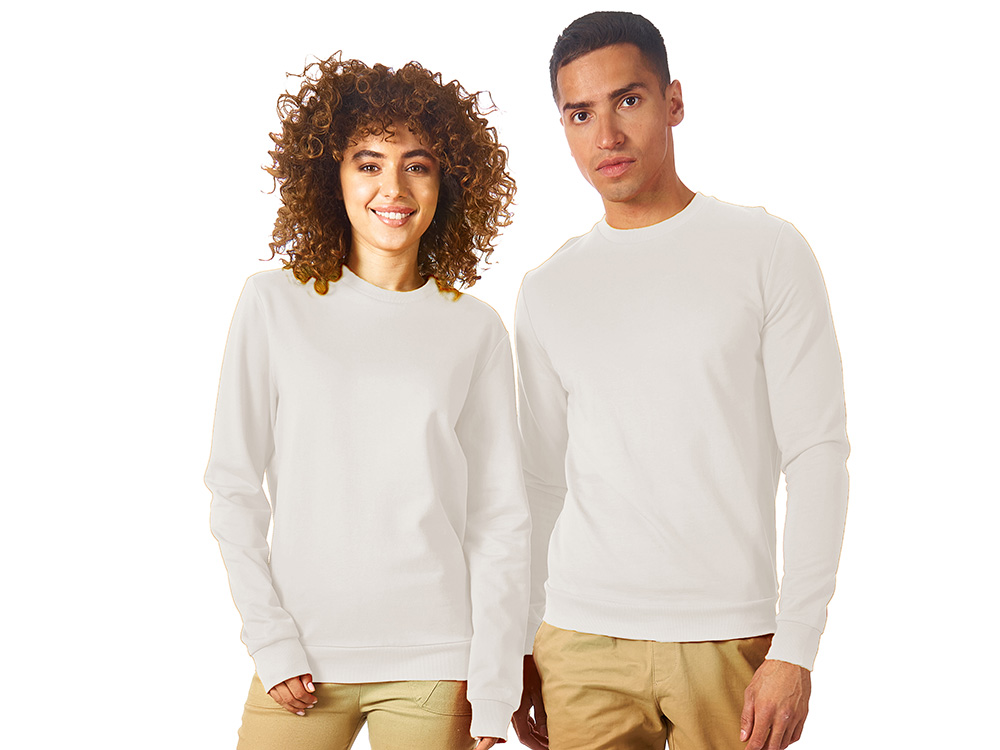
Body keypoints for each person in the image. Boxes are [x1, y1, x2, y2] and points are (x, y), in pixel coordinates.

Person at [511, 12, 849, 750]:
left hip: (729, 637)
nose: (606, 135)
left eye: (627, 100)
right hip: (579, 639)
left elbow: (817, 453)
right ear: (563, 127)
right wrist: (522, 640)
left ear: (674, 102)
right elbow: (540, 481)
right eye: (580, 114)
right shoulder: (547, 289)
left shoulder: (766, 251)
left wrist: (796, 645)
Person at [205, 54, 530, 750]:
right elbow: (233, 487)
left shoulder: (474, 329)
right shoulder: (273, 304)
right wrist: (270, 638)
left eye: (418, 165)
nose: (394, 188)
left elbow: (500, 518)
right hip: (300, 660)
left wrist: (495, 683)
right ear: (333, 176)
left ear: (447, 181)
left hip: (436, 662)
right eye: (369, 163)